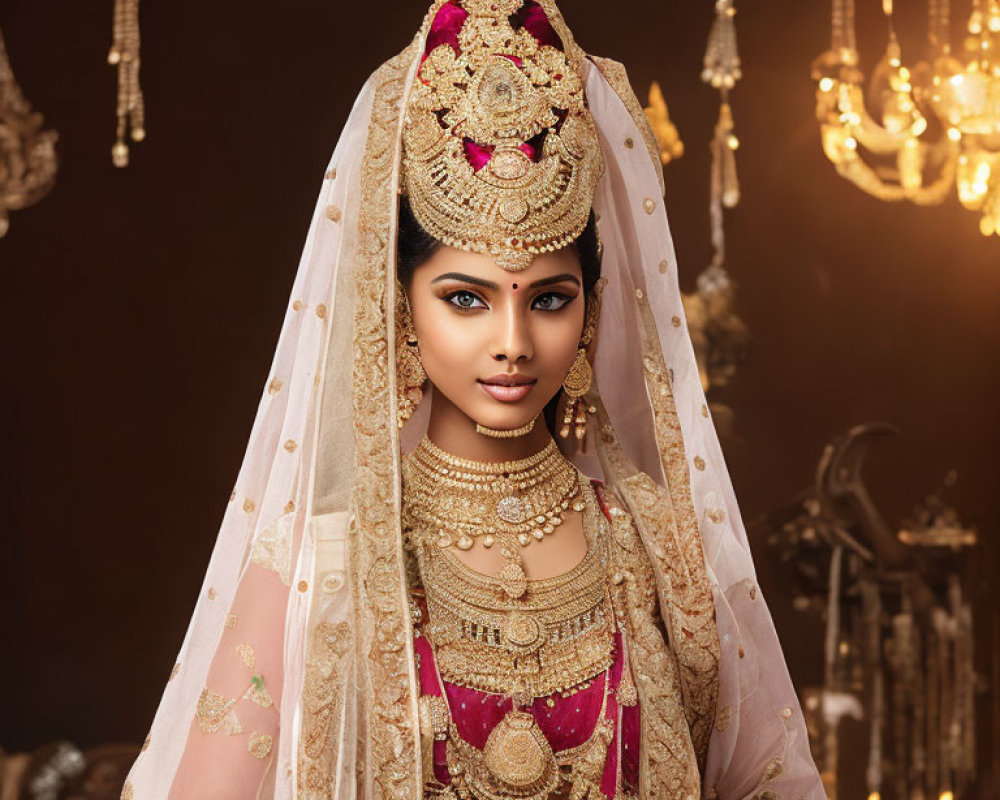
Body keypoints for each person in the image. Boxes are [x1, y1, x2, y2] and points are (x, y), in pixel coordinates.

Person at [121, 2, 826, 799]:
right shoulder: (320, 568)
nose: (513, 341)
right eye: (467, 299)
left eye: (550, 300)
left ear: (593, 310)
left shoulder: (665, 555)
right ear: (400, 306)